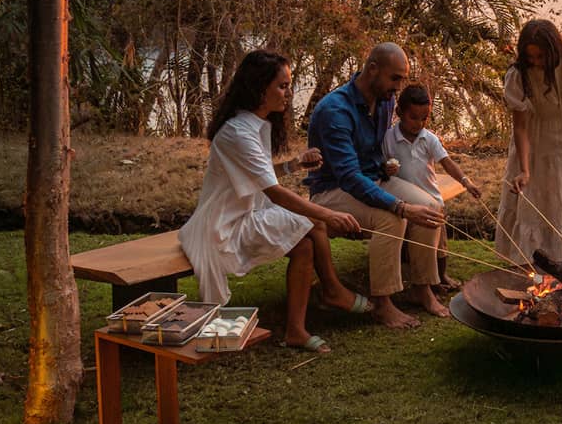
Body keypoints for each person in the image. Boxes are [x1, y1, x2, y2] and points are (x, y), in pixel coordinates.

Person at [178, 51, 370, 354]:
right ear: (259, 87)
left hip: (247, 213)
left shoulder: (256, 125)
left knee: (305, 245)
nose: (288, 93)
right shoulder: (237, 133)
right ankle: (333, 290)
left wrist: (293, 165)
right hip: (224, 226)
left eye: (289, 85)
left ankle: (296, 330)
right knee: (315, 220)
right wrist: (330, 214)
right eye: (282, 86)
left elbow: (258, 175)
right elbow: (274, 193)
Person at [307, 43, 448, 328]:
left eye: (402, 79)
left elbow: (375, 156)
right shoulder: (335, 111)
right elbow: (348, 177)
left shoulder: (383, 102)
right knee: (390, 218)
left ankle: (422, 288)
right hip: (332, 192)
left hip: (371, 179)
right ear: (373, 69)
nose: (399, 88)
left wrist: (388, 168)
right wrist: (399, 206)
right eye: (395, 78)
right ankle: (383, 303)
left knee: (431, 206)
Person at [496, 18, 562, 265]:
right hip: (533, 146)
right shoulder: (519, 74)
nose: (536, 62)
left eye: (541, 56)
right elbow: (520, 127)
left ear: (554, 49)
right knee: (536, 203)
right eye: (530, 57)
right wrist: (525, 170)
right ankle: (532, 269)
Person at [382, 84, 482, 291]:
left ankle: (441, 276)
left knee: (439, 244)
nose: (419, 123)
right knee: (410, 241)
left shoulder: (429, 138)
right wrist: (385, 169)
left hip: (432, 200)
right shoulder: (388, 138)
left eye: (424, 118)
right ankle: (418, 280)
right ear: (399, 112)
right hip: (404, 201)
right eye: (414, 117)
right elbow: (380, 166)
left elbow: (447, 163)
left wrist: (466, 181)